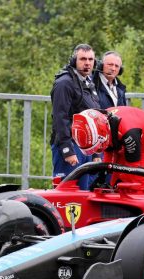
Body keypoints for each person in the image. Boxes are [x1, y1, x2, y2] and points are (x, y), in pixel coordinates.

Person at [71, 106, 144, 189]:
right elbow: (109, 156)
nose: (99, 149)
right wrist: (102, 176)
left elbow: (133, 167)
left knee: (137, 181)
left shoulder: (129, 133)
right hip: (126, 135)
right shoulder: (102, 122)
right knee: (114, 181)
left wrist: (121, 182)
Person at [50, 43, 101, 189]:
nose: (87, 63)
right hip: (70, 146)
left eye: (90, 60)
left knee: (84, 195)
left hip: (86, 147)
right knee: (68, 195)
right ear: (74, 61)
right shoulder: (64, 83)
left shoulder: (87, 82)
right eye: (83, 59)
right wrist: (67, 150)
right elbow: (60, 119)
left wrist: (97, 152)